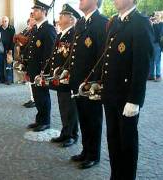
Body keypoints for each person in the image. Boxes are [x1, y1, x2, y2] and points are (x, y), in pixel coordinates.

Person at [101, 0, 154, 179]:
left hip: (126, 96)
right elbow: (108, 57)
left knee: (127, 142)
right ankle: (116, 175)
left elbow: (142, 64)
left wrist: (135, 99)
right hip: (110, 93)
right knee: (113, 139)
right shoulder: (114, 21)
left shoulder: (141, 22)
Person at [69, 0, 108, 169]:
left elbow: (102, 56)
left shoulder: (102, 23)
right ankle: (86, 150)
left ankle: (93, 155)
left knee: (93, 119)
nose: (80, 1)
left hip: (91, 83)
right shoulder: (81, 22)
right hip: (79, 81)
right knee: (83, 118)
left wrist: (95, 82)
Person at [48, 4, 80, 148]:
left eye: (62, 16)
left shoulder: (74, 34)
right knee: (63, 105)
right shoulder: (61, 34)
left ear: (71, 19)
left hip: (68, 77)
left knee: (70, 107)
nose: (59, 18)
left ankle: (72, 135)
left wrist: (64, 72)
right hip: (59, 77)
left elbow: (73, 57)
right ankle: (65, 132)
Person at [26, 0, 57, 132]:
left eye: (37, 10)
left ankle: (45, 121)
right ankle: (39, 119)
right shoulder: (36, 29)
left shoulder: (48, 29)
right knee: (36, 95)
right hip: (34, 69)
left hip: (41, 70)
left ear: (44, 12)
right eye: (34, 10)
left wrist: (44, 72)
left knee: (42, 95)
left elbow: (49, 54)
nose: (33, 12)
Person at [14, 15, 37, 108]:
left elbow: (27, 41)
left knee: (32, 80)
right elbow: (18, 38)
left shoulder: (35, 30)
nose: (29, 21)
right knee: (29, 80)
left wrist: (22, 40)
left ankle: (34, 99)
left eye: (31, 19)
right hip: (26, 57)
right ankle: (32, 98)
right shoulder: (27, 30)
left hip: (32, 58)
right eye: (29, 20)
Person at [0, 16, 16, 85]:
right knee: (1, 65)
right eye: (3, 21)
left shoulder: (11, 28)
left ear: (8, 22)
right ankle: (1, 79)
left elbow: (13, 40)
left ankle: (9, 80)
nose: (4, 22)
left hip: (9, 50)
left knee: (9, 65)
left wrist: (11, 49)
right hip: (1, 50)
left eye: (6, 21)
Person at [149, 12, 163, 82]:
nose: (156, 16)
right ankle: (151, 75)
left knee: (157, 60)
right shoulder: (153, 24)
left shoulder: (162, 24)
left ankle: (158, 76)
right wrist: (150, 24)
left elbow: (161, 34)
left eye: (157, 15)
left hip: (157, 44)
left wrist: (156, 25)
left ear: (160, 16)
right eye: (155, 15)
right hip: (151, 44)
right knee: (151, 60)